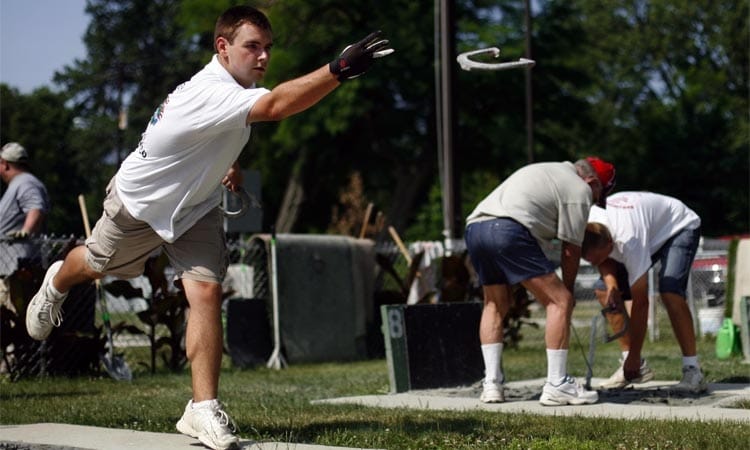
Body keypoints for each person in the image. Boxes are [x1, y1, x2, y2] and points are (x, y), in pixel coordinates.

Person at [24, 6, 393, 450]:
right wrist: (338, 70)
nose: (262, 58)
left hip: (196, 208)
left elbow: (216, 134)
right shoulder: (210, 90)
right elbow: (275, 107)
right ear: (223, 48)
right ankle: (57, 281)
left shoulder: (234, 90)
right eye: (251, 47)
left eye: (267, 49)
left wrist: (229, 165)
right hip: (139, 205)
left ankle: (202, 408)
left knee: (206, 291)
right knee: (97, 265)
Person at [465, 156, 616, 406]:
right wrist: (567, 292)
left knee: (494, 304)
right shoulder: (579, 189)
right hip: (508, 229)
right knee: (560, 301)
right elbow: (571, 248)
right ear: (592, 182)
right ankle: (557, 384)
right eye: (597, 196)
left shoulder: (548, 171)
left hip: (475, 229)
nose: (594, 202)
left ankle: (492, 384)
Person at [582, 191, 706, 393]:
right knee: (604, 291)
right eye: (590, 261)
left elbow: (641, 303)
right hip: (645, 227)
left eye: (596, 259)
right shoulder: (589, 224)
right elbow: (603, 260)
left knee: (669, 290)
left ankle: (693, 370)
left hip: (678, 226)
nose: (594, 265)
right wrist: (612, 284)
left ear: (611, 245)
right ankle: (633, 364)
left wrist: (635, 352)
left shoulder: (630, 241)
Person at [1, 142, 50, 311]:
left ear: (5, 164)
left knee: (13, 312)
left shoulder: (25, 183)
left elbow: (36, 207)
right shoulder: (21, 183)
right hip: (11, 265)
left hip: (17, 266)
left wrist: (26, 231)